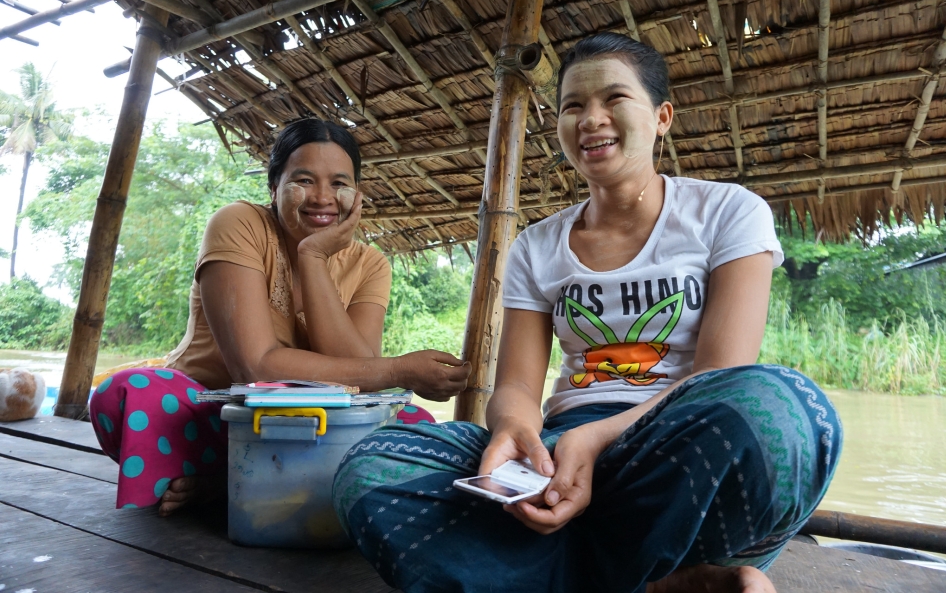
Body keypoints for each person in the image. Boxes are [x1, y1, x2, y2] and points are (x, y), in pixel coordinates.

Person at [332, 33, 841, 593]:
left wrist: (599, 440)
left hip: (673, 450)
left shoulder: (726, 211)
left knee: (787, 411)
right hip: (558, 454)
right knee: (375, 465)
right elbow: (518, 387)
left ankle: (558, 572)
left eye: (613, 100)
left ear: (662, 116)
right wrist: (514, 432)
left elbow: (719, 376)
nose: (590, 119)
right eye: (573, 106)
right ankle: (657, 581)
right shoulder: (537, 246)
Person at [90, 119, 471, 515]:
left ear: (357, 195)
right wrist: (397, 371)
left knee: (418, 425)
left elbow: (362, 380)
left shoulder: (370, 264)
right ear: (273, 188)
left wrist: (314, 257)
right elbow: (254, 367)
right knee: (128, 392)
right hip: (214, 418)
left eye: (340, 184)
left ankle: (228, 483)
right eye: (304, 180)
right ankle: (268, 481)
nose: (323, 197)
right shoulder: (239, 224)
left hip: (319, 429)